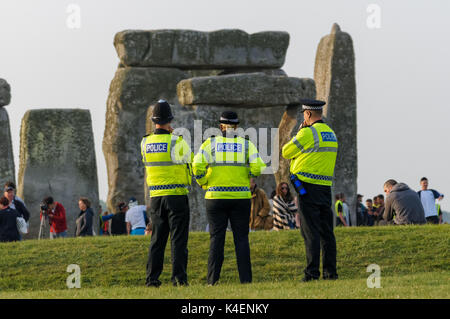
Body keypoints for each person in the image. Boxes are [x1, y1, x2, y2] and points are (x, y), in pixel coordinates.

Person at [193, 110, 266, 286]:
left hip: (215, 197)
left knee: (216, 239)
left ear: (221, 127)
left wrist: (204, 182)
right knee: (241, 239)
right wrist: (246, 174)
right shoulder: (246, 145)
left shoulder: (210, 144)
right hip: (240, 197)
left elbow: (196, 166)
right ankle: (246, 280)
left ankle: (212, 280)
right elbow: (258, 168)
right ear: (237, 126)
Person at [282, 99, 339, 282]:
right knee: (327, 233)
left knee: (310, 232)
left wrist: (300, 132)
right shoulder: (331, 133)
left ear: (307, 114)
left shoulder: (307, 133)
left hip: (307, 188)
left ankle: (311, 273)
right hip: (325, 189)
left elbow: (286, 151)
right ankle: (330, 273)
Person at [142, 99, 193, 287]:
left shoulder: (145, 142)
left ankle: (152, 279)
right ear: (170, 119)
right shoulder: (177, 141)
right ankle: (179, 279)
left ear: (154, 120)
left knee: (157, 240)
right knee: (178, 240)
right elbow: (191, 162)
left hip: (156, 197)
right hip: (177, 195)